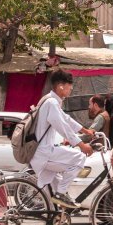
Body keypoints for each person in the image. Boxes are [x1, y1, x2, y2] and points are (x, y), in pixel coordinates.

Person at [31, 70, 94, 216]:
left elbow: (66, 119)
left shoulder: (50, 101)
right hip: (44, 152)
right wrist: (81, 145)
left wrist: (85, 130)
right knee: (79, 158)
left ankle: (55, 222)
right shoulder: (52, 103)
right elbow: (62, 126)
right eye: (69, 86)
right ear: (60, 86)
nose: (71, 89)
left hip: (42, 152)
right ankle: (60, 194)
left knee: (56, 185)